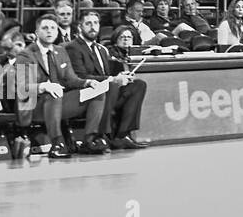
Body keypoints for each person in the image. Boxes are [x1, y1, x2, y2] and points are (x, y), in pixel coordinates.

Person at [13, 13, 108, 157]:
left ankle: (89, 140)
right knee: (53, 92)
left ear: (57, 32)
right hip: (34, 106)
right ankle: (57, 143)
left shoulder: (60, 51)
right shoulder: (26, 55)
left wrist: (87, 82)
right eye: (45, 28)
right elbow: (23, 87)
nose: (49, 31)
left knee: (97, 91)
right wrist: (44, 86)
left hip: (59, 103)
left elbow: (70, 80)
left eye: (53, 28)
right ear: (37, 32)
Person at [67, 11, 148, 149]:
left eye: (96, 23)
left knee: (138, 85)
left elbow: (108, 73)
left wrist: (122, 76)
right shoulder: (73, 47)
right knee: (110, 85)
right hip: (85, 93)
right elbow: (80, 76)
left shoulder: (101, 49)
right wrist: (113, 79)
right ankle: (102, 135)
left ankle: (122, 135)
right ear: (80, 27)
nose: (93, 27)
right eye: (88, 23)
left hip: (107, 91)